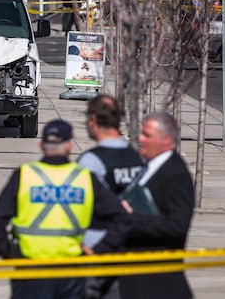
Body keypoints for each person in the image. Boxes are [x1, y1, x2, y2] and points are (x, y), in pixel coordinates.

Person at [0, 119, 131, 299]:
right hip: (70, 272)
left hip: (30, 271)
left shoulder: (24, 175)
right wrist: (99, 250)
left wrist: (10, 253)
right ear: (70, 146)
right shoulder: (84, 178)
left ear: (41, 144)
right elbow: (122, 218)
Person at [118, 112, 194, 299]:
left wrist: (130, 219)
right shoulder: (149, 166)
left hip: (158, 284)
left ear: (166, 140)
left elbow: (177, 225)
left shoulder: (176, 173)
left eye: (147, 135)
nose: (140, 139)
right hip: (136, 278)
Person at [77, 94, 144, 299]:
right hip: (128, 248)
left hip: (95, 248)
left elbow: (79, 207)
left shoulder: (91, 161)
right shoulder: (136, 159)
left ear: (94, 121)